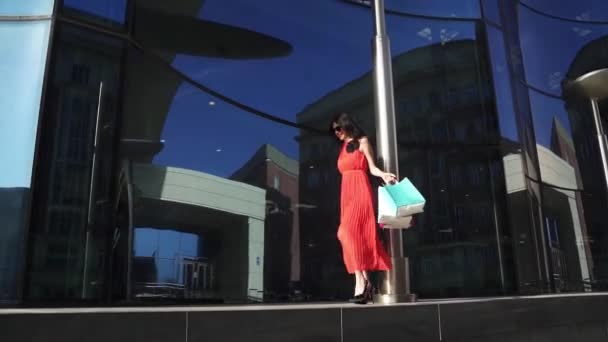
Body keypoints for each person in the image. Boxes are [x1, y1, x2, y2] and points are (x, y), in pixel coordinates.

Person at [330, 112, 395, 304]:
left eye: (338, 128)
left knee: (345, 233)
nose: (336, 132)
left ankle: (361, 283)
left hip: (360, 189)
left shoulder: (363, 142)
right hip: (346, 194)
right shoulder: (343, 147)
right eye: (333, 130)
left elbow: (372, 167)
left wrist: (383, 175)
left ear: (346, 124)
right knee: (351, 236)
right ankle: (365, 284)